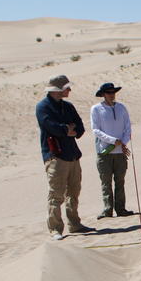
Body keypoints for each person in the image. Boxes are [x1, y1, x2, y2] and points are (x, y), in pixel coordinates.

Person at [36, 74, 93, 240]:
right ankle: (55, 228)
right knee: (56, 194)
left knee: (74, 191)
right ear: (58, 90)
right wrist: (65, 129)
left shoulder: (68, 106)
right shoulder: (43, 106)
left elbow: (79, 126)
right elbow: (50, 126)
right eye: (67, 88)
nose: (69, 90)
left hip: (72, 154)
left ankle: (74, 223)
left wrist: (71, 130)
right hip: (56, 156)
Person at [90, 82, 133, 219]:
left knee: (120, 181)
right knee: (106, 182)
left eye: (113, 92)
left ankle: (121, 209)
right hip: (105, 151)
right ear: (103, 94)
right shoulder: (96, 109)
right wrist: (113, 140)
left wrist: (123, 142)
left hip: (120, 151)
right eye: (109, 92)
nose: (112, 95)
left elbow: (127, 127)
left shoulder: (121, 108)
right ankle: (107, 209)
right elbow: (96, 130)